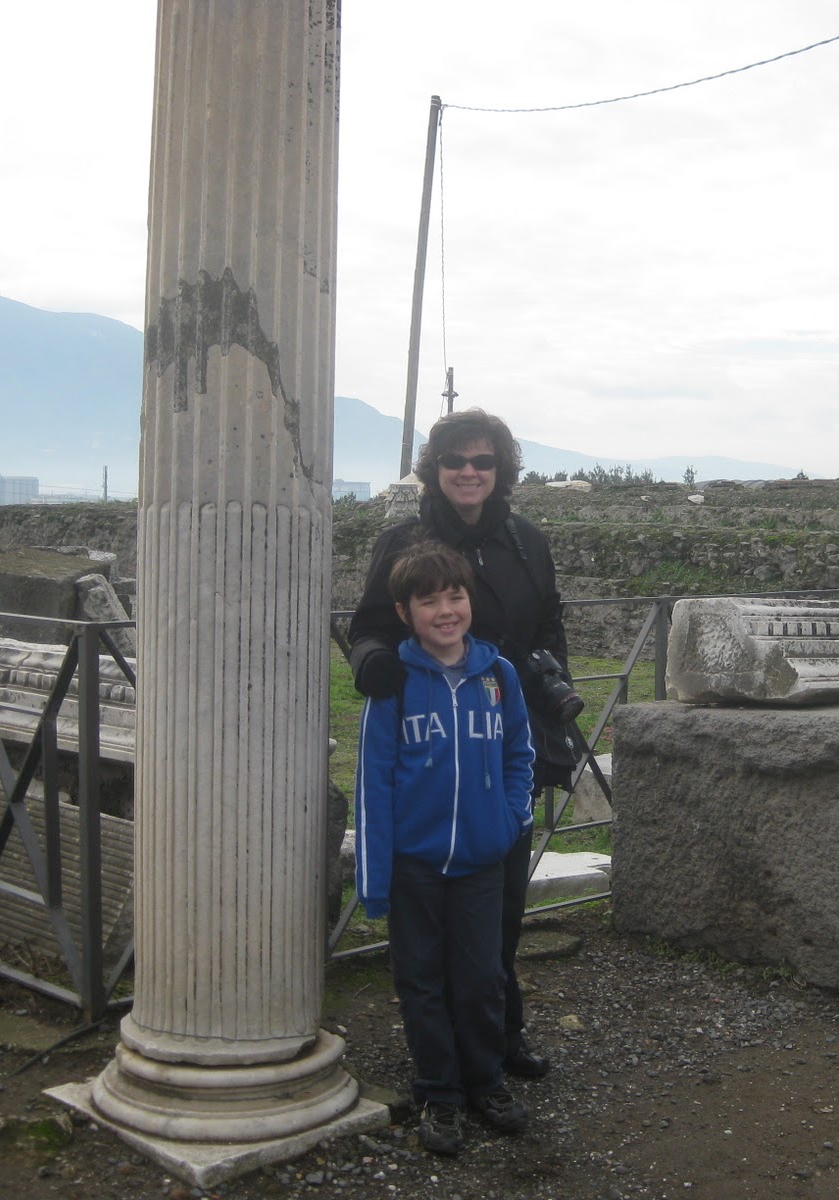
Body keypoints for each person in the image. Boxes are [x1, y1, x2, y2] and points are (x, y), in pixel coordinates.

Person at [349, 407, 575, 1081]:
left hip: (504, 735)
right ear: (435, 469)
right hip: (432, 743)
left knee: (499, 906)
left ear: (501, 469)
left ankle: (499, 1037)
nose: (470, 472)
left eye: (483, 461)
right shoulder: (403, 539)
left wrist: (545, 707)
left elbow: (550, 624)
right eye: (456, 461)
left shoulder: (527, 541)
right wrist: (371, 666)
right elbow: (368, 625)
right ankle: (442, 1061)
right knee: (432, 928)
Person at [354, 540, 535, 1155]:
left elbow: (519, 755)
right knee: (422, 981)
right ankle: (440, 1090)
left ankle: (485, 1079)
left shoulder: (498, 675)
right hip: (416, 867)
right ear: (405, 612)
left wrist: (509, 819)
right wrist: (377, 877)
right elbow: (373, 783)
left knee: (482, 977)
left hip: (482, 862)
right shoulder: (394, 683)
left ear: (470, 601)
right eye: (427, 601)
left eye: (454, 596)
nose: (445, 610)